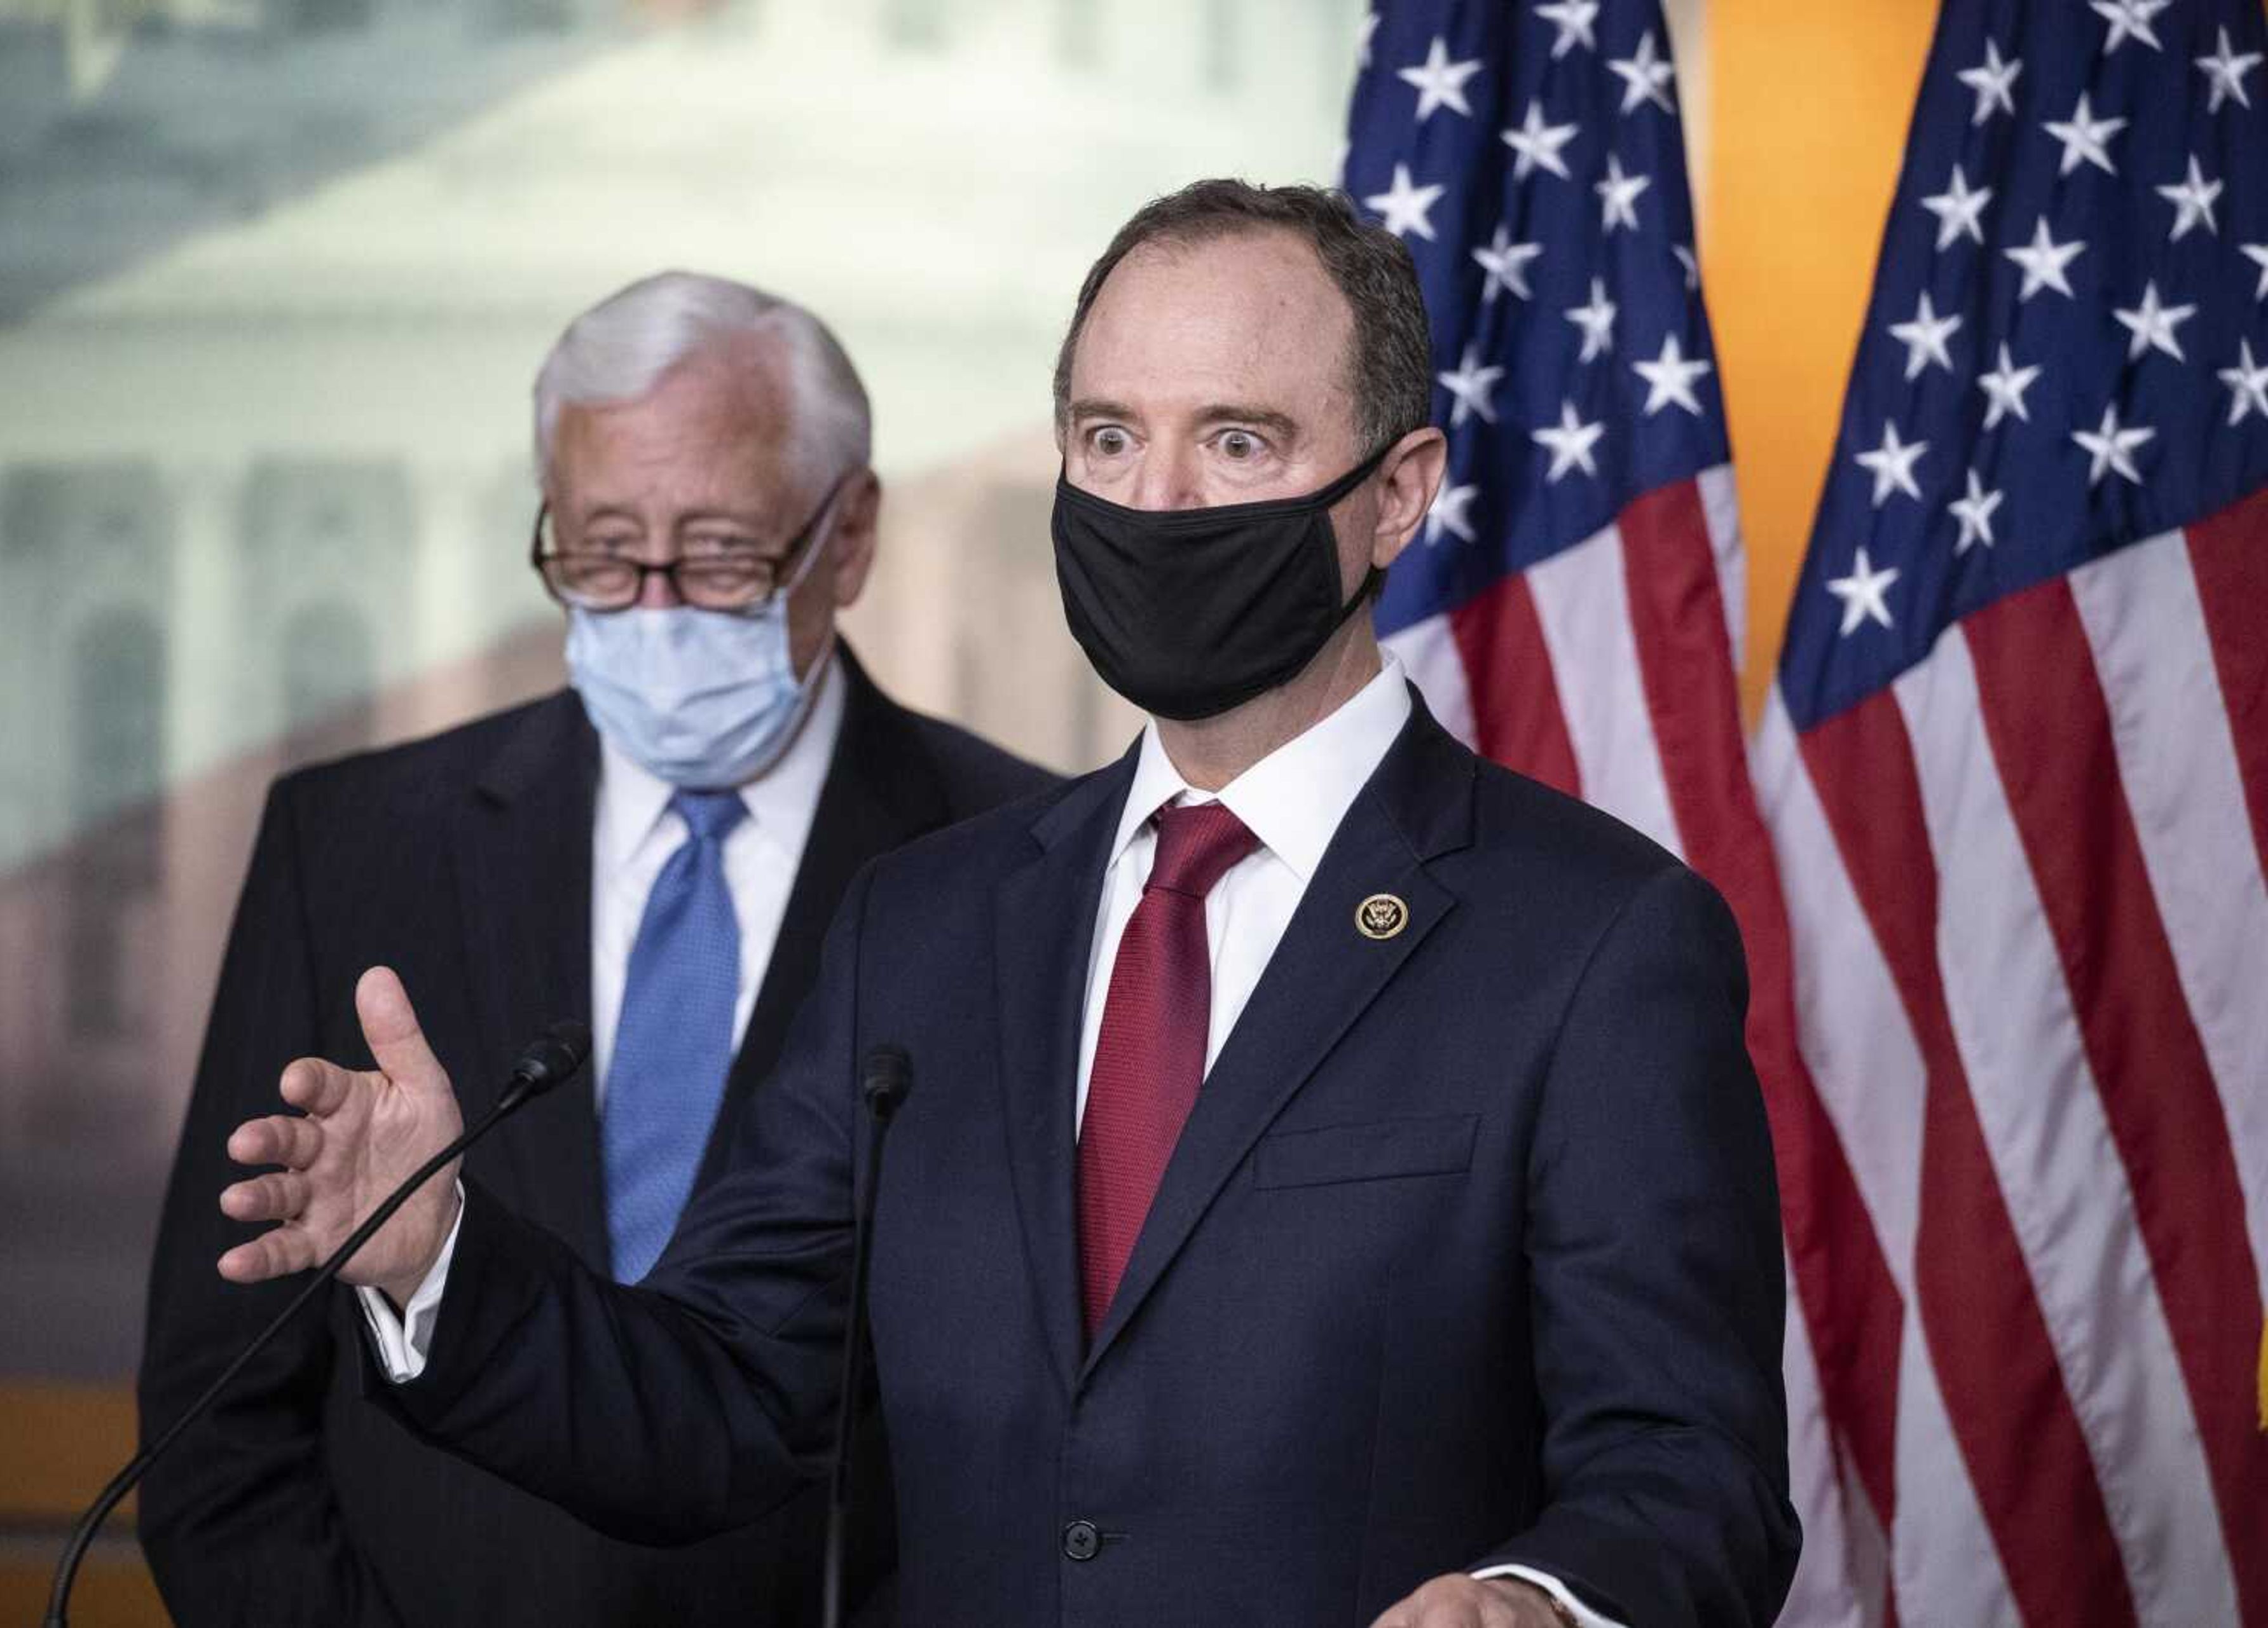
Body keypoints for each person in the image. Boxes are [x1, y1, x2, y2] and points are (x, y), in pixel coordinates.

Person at [215, 182, 1799, 1628]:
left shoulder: (1594, 942)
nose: (1158, 501)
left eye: (1236, 442)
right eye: (1109, 440)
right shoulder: (928, 922)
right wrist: (440, 1257)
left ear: (1397, 496)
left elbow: (1688, 1473)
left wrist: (1539, 1605)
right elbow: (719, 1405)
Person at [140, 271, 1054, 1628]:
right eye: (603, 553)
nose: (658, 608)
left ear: (848, 536)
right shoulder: (350, 847)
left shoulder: (1024, 862)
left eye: (725, 554)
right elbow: (221, 1414)